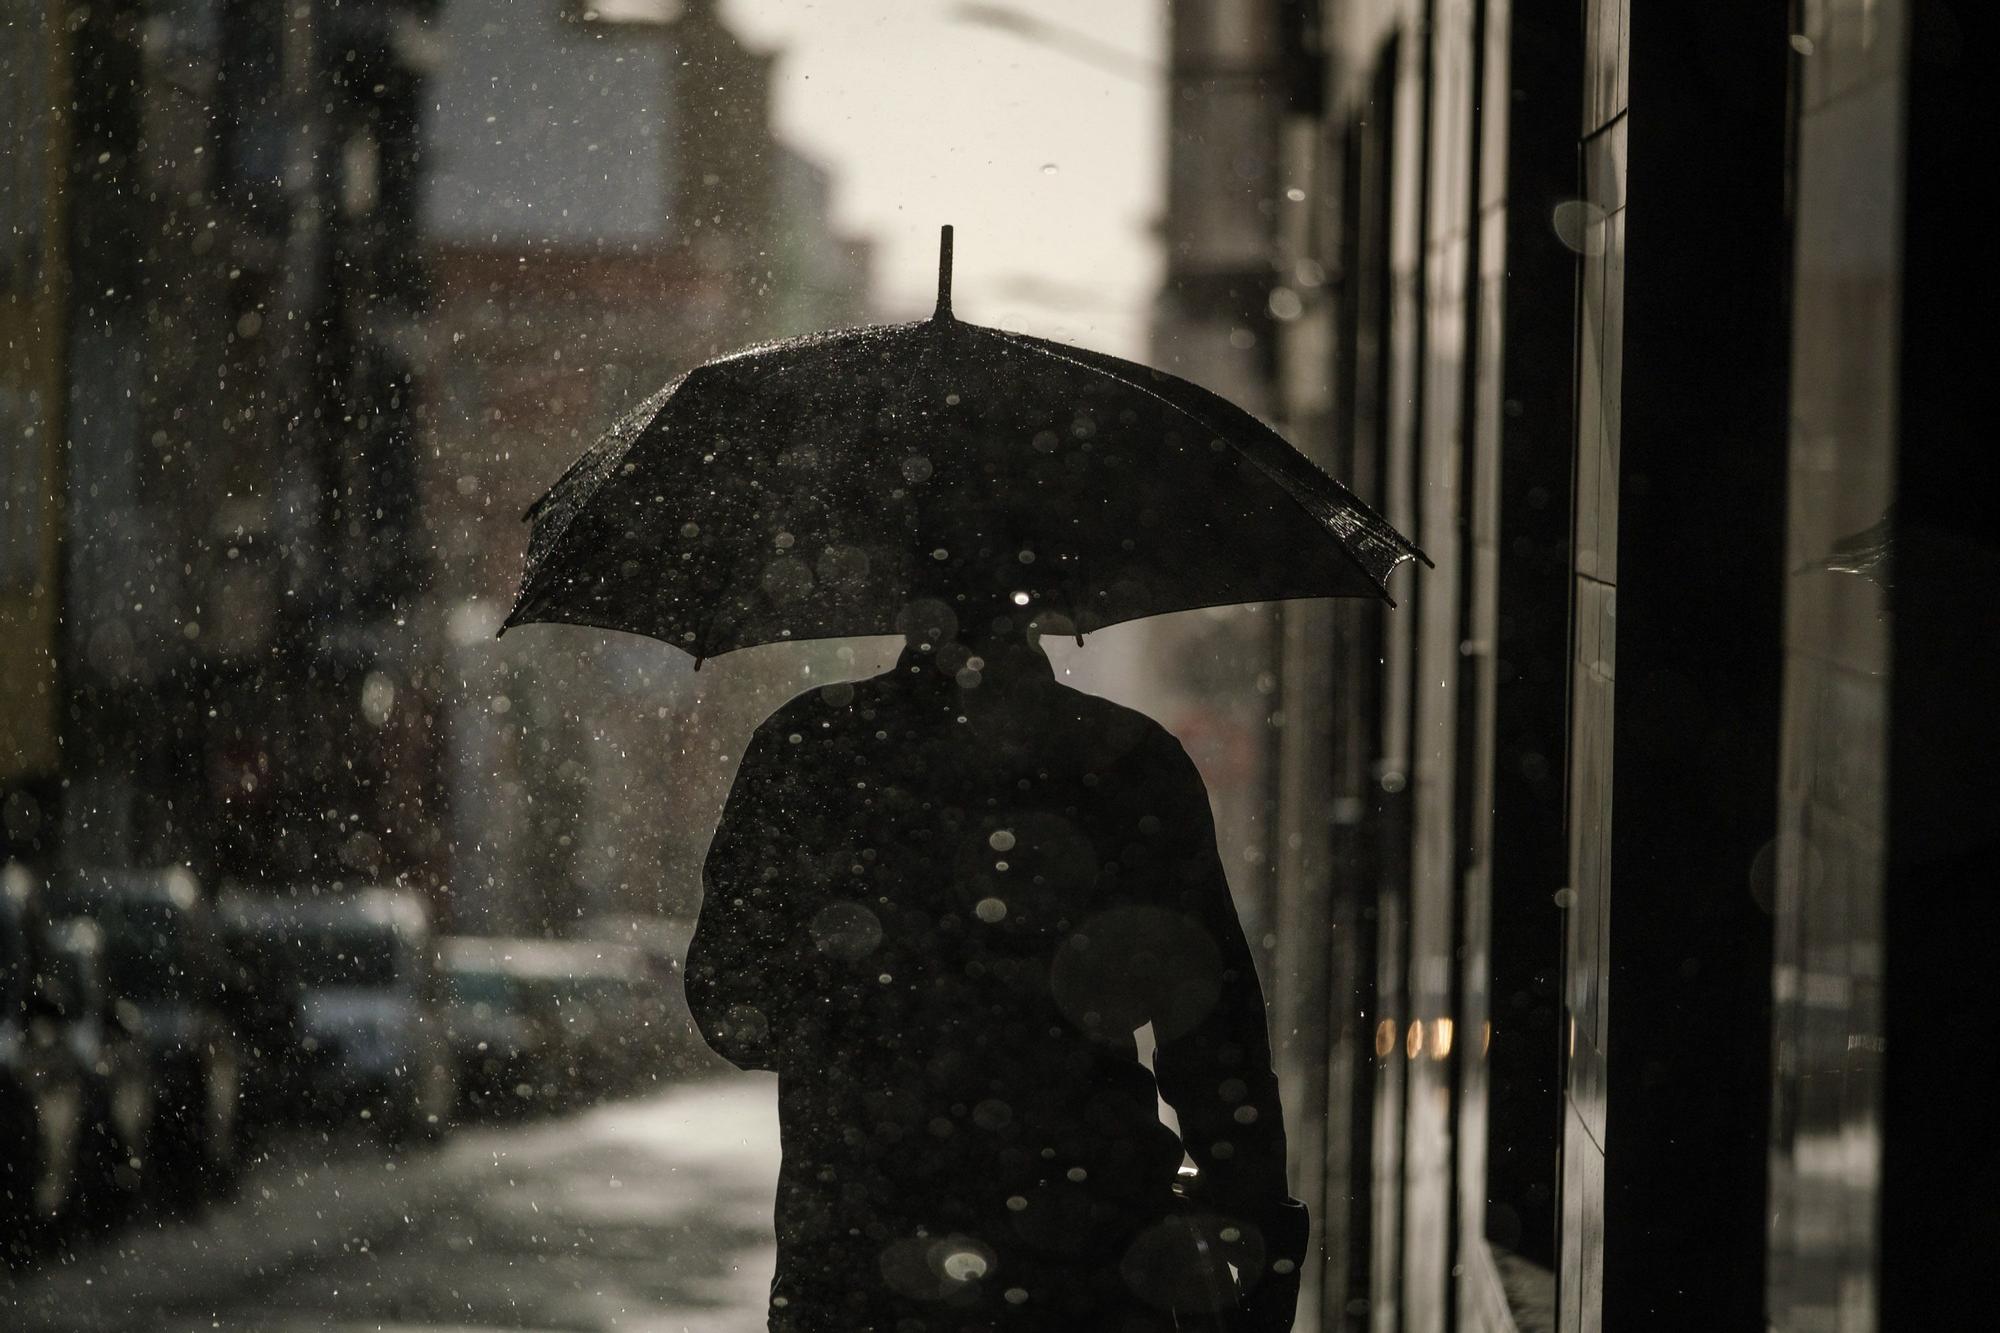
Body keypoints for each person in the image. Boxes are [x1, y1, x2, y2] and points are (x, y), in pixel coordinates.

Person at [687, 593, 1306, 1332]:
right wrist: (1252, 1218)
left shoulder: (810, 745)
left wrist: (863, 1000)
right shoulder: (1126, 758)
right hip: (1084, 1252)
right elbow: (1211, 1029)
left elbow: (734, 1008)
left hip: (861, 1251)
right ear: (1047, 603)